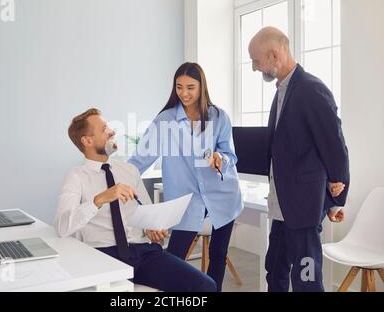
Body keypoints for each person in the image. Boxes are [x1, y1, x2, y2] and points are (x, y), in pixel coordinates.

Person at [54, 108, 216, 292]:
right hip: (104, 254)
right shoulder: (76, 176)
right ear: (87, 140)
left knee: (205, 286)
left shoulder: (129, 170)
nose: (112, 131)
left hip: (144, 252)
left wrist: (151, 229)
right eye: (104, 128)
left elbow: (146, 213)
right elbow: (62, 226)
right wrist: (99, 199)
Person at [248, 27, 350, 292]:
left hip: (303, 210)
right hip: (281, 207)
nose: (253, 67)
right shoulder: (282, 90)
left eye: (256, 61)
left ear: (274, 55)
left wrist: (336, 199)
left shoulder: (311, 90)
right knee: (275, 271)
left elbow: (335, 146)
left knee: (306, 279)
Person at [128, 62, 244, 292]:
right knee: (174, 259)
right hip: (185, 202)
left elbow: (230, 155)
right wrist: (118, 179)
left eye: (190, 87)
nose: (184, 93)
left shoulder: (219, 117)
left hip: (223, 196)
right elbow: (139, 160)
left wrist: (221, 158)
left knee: (218, 256)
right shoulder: (165, 121)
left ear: (202, 87)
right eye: (179, 87)